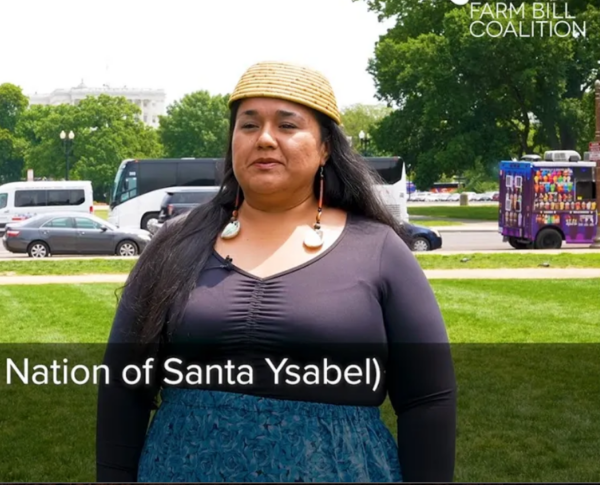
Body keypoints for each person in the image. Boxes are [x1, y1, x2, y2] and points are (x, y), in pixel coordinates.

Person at [96, 61, 456, 483]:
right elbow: (124, 388)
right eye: (248, 126)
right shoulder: (174, 243)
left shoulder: (378, 250)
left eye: (287, 125)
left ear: (325, 148)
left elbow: (428, 400)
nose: (264, 139)